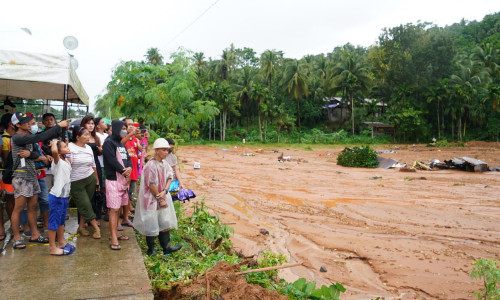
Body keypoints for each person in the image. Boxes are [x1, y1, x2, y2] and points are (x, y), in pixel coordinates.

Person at [10, 112, 69, 249]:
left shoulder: (28, 137)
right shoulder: (18, 137)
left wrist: (31, 154)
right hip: (21, 176)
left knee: (32, 206)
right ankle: (16, 237)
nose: (30, 122)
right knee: (18, 208)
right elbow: (40, 137)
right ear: (18, 125)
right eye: (26, 121)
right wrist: (58, 126)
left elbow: (37, 154)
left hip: (32, 174)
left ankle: (35, 234)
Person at [134, 138, 182, 256]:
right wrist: (160, 198)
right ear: (157, 151)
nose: (166, 152)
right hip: (151, 199)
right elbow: (151, 184)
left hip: (163, 195)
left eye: (167, 150)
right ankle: (151, 250)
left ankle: (166, 247)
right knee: (151, 223)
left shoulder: (165, 163)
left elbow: (170, 176)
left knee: (164, 221)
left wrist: (165, 190)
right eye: (163, 150)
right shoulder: (151, 165)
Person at [103, 120, 132, 250]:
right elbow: (111, 160)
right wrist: (123, 171)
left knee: (119, 208)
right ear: (116, 128)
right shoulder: (108, 143)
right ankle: (113, 237)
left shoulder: (121, 143)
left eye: (125, 128)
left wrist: (130, 168)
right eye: (123, 128)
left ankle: (116, 232)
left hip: (123, 181)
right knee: (113, 210)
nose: (125, 130)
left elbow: (128, 158)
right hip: (113, 180)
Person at [68, 126, 101, 239]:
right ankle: (96, 228)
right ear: (77, 137)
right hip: (76, 181)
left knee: (85, 204)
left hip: (90, 179)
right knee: (85, 204)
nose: (88, 136)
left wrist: (97, 181)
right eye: (85, 135)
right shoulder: (70, 147)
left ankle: (81, 226)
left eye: (88, 134)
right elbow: (68, 164)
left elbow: (93, 165)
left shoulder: (88, 148)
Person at [47, 139, 75, 256]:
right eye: (65, 147)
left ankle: (61, 242)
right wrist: (54, 142)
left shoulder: (67, 161)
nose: (68, 148)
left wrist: (66, 143)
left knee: (61, 221)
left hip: (64, 197)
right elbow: (54, 150)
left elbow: (67, 154)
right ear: (58, 152)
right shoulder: (57, 161)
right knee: (54, 222)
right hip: (56, 197)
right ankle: (52, 247)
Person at [80, 115, 104, 220]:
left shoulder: (96, 137)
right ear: (84, 124)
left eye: (92, 123)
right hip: (83, 166)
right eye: (88, 123)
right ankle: (84, 219)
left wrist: (100, 150)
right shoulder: (80, 137)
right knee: (84, 193)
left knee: (97, 190)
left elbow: (99, 153)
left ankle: (96, 217)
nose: (91, 126)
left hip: (96, 165)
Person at [121, 118, 142, 228]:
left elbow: (141, 149)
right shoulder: (123, 137)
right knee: (124, 192)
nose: (130, 126)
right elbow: (121, 144)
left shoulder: (134, 138)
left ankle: (127, 212)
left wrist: (140, 140)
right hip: (125, 170)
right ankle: (125, 213)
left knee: (131, 192)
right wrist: (131, 135)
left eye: (132, 125)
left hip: (134, 169)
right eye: (128, 125)